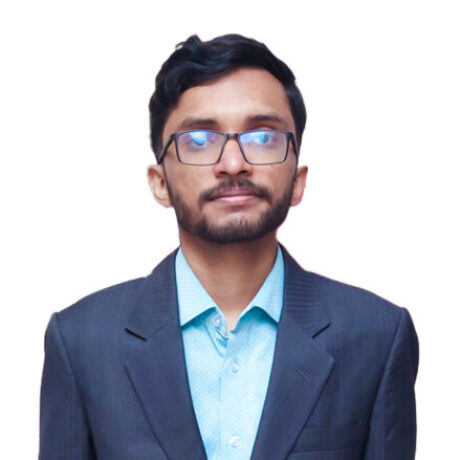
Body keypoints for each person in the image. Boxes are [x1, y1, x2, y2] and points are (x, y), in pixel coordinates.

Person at [39, 34, 419, 460]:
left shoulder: (376, 336)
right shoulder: (82, 341)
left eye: (263, 137)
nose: (234, 164)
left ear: (298, 180)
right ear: (160, 182)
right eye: (199, 140)